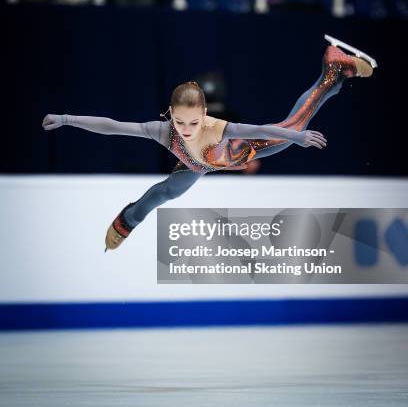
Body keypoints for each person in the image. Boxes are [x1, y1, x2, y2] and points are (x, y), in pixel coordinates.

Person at [42, 38, 377, 251]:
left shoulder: (218, 126)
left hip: (242, 150)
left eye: (193, 122)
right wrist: (67, 118)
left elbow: (261, 127)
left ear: (203, 113)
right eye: (180, 122)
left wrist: (298, 137)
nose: (186, 130)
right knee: (166, 192)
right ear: (171, 114)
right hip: (198, 164)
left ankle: (332, 70)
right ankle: (129, 220)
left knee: (293, 124)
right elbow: (112, 127)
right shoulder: (162, 131)